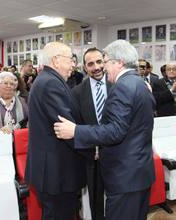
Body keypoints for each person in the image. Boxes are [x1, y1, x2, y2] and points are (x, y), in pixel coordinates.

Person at [54, 40, 155, 220]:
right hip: (139, 172)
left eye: (105, 61)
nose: (103, 67)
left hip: (125, 176)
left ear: (119, 62)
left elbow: (116, 130)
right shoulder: (140, 84)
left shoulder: (122, 86)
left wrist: (76, 131)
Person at [25, 42, 86, 220]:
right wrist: (92, 149)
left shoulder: (48, 80)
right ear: (56, 60)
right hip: (57, 171)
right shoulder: (51, 83)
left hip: (54, 169)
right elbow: (65, 126)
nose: (73, 65)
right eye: (70, 60)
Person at [72, 47, 111, 220]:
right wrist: (90, 147)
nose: (96, 67)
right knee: (95, 200)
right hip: (92, 156)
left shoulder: (117, 85)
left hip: (117, 152)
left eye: (99, 62)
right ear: (84, 67)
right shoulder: (77, 92)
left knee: (118, 197)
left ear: (105, 61)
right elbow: (77, 124)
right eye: (90, 64)